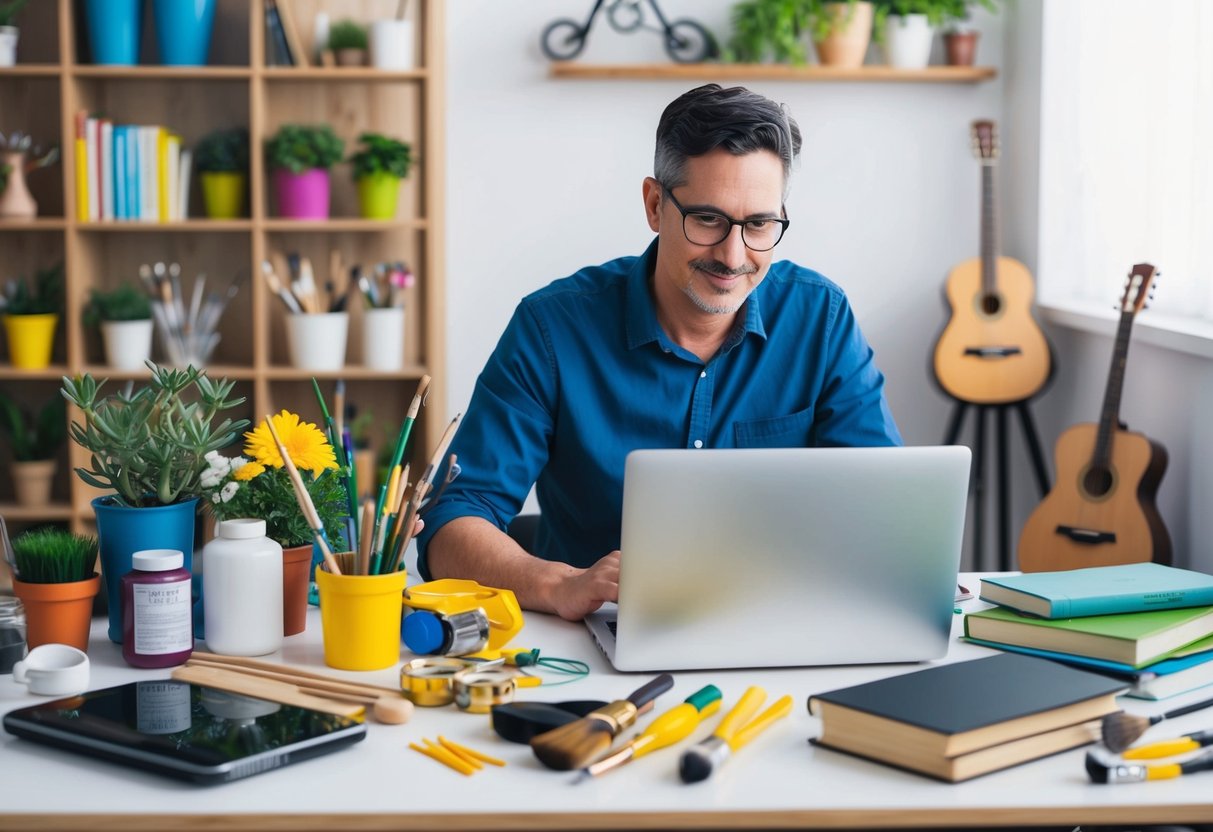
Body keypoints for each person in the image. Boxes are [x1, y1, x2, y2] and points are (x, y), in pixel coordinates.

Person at [416, 83, 901, 621]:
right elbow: (452, 520)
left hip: (782, 621)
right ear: (654, 204)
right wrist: (559, 582)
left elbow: (886, 509)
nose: (733, 254)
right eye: (708, 219)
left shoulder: (821, 318)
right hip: (596, 639)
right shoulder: (552, 328)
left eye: (760, 224)